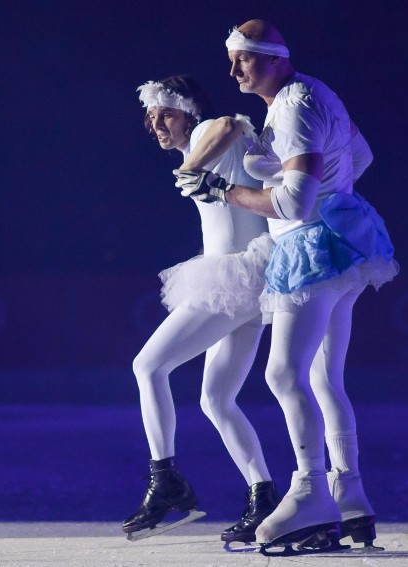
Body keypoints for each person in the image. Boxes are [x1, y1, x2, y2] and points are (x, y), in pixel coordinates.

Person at [174, 21, 397, 551]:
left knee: (282, 374)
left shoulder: (294, 106)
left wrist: (224, 190)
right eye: (230, 60)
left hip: (311, 247)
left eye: (244, 60)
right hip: (344, 240)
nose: (232, 71)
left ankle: (310, 494)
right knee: (325, 380)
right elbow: (360, 157)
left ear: (275, 58)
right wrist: (329, 190)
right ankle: (351, 497)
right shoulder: (315, 92)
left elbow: (293, 203)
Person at [122, 75, 280, 544]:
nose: (156, 125)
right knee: (216, 399)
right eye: (151, 118)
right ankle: (263, 495)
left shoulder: (214, 128)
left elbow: (231, 122)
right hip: (242, 285)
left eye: (165, 114)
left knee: (148, 366)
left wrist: (189, 165)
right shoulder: (202, 149)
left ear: (190, 112)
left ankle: (166, 480)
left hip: (236, 277)